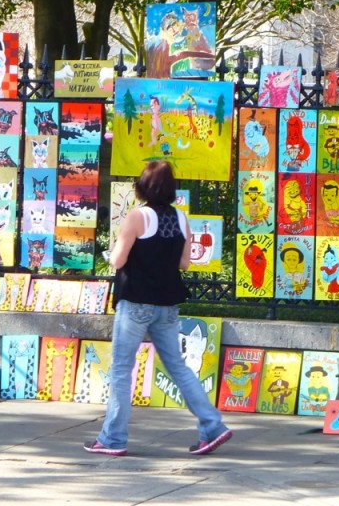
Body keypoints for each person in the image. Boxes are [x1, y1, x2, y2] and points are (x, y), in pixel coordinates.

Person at [84, 160, 232, 457]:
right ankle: (213, 425)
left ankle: (113, 439)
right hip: (167, 304)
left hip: (136, 301)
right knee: (178, 366)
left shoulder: (137, 217)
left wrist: (115, 248)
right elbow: (184, 263)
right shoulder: (180, 219)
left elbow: (117, 261)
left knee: (122, 369)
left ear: (143, 187)